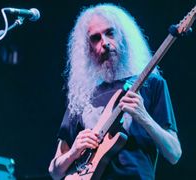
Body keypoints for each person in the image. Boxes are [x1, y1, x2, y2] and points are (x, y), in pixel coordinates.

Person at [48, 3, 182, 180]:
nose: (105, 43)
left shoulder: (151, 84)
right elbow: (55, 172)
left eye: (110, 33)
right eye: (95, 38)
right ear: (87, 49)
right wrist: (73, 153)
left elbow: (174, 154)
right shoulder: (82, 95)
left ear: (123, 37)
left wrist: (144, 117)